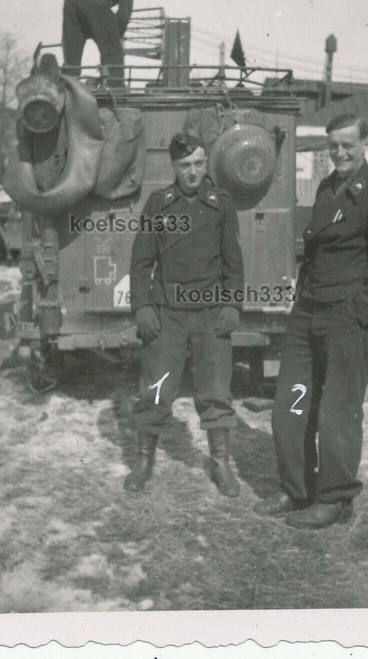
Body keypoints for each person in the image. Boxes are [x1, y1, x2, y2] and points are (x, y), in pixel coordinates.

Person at [256, 113, 368, 529]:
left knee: (337, 414)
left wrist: (356, 313)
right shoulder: (325, 188)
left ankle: (336, 499)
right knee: (292, 404)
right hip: (307, 314)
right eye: (333, 146)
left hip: (345, 321)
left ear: (365, 144)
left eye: (347, 144)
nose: (340, 153)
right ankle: (298, 489)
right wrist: (301, 302)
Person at [126, 133, 244, 497]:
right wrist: (143, 306)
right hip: (168, 314)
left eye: (198, 164)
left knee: (215, 391)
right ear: (173, 167)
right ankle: (144, 461)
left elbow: (233, 262)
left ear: (205, 163)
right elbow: (141, 260)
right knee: (155, 389)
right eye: (184, 165)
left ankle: (220, 462)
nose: (192, 172)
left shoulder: (221, 204)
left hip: (211, 315)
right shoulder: (158, 204)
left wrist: (232, 305)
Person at [61, 0, 134, 85]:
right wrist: (116, 34)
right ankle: (115, 88)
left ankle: (68, 85)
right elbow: (124, 15)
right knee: (113, 49)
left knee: (72, 50)